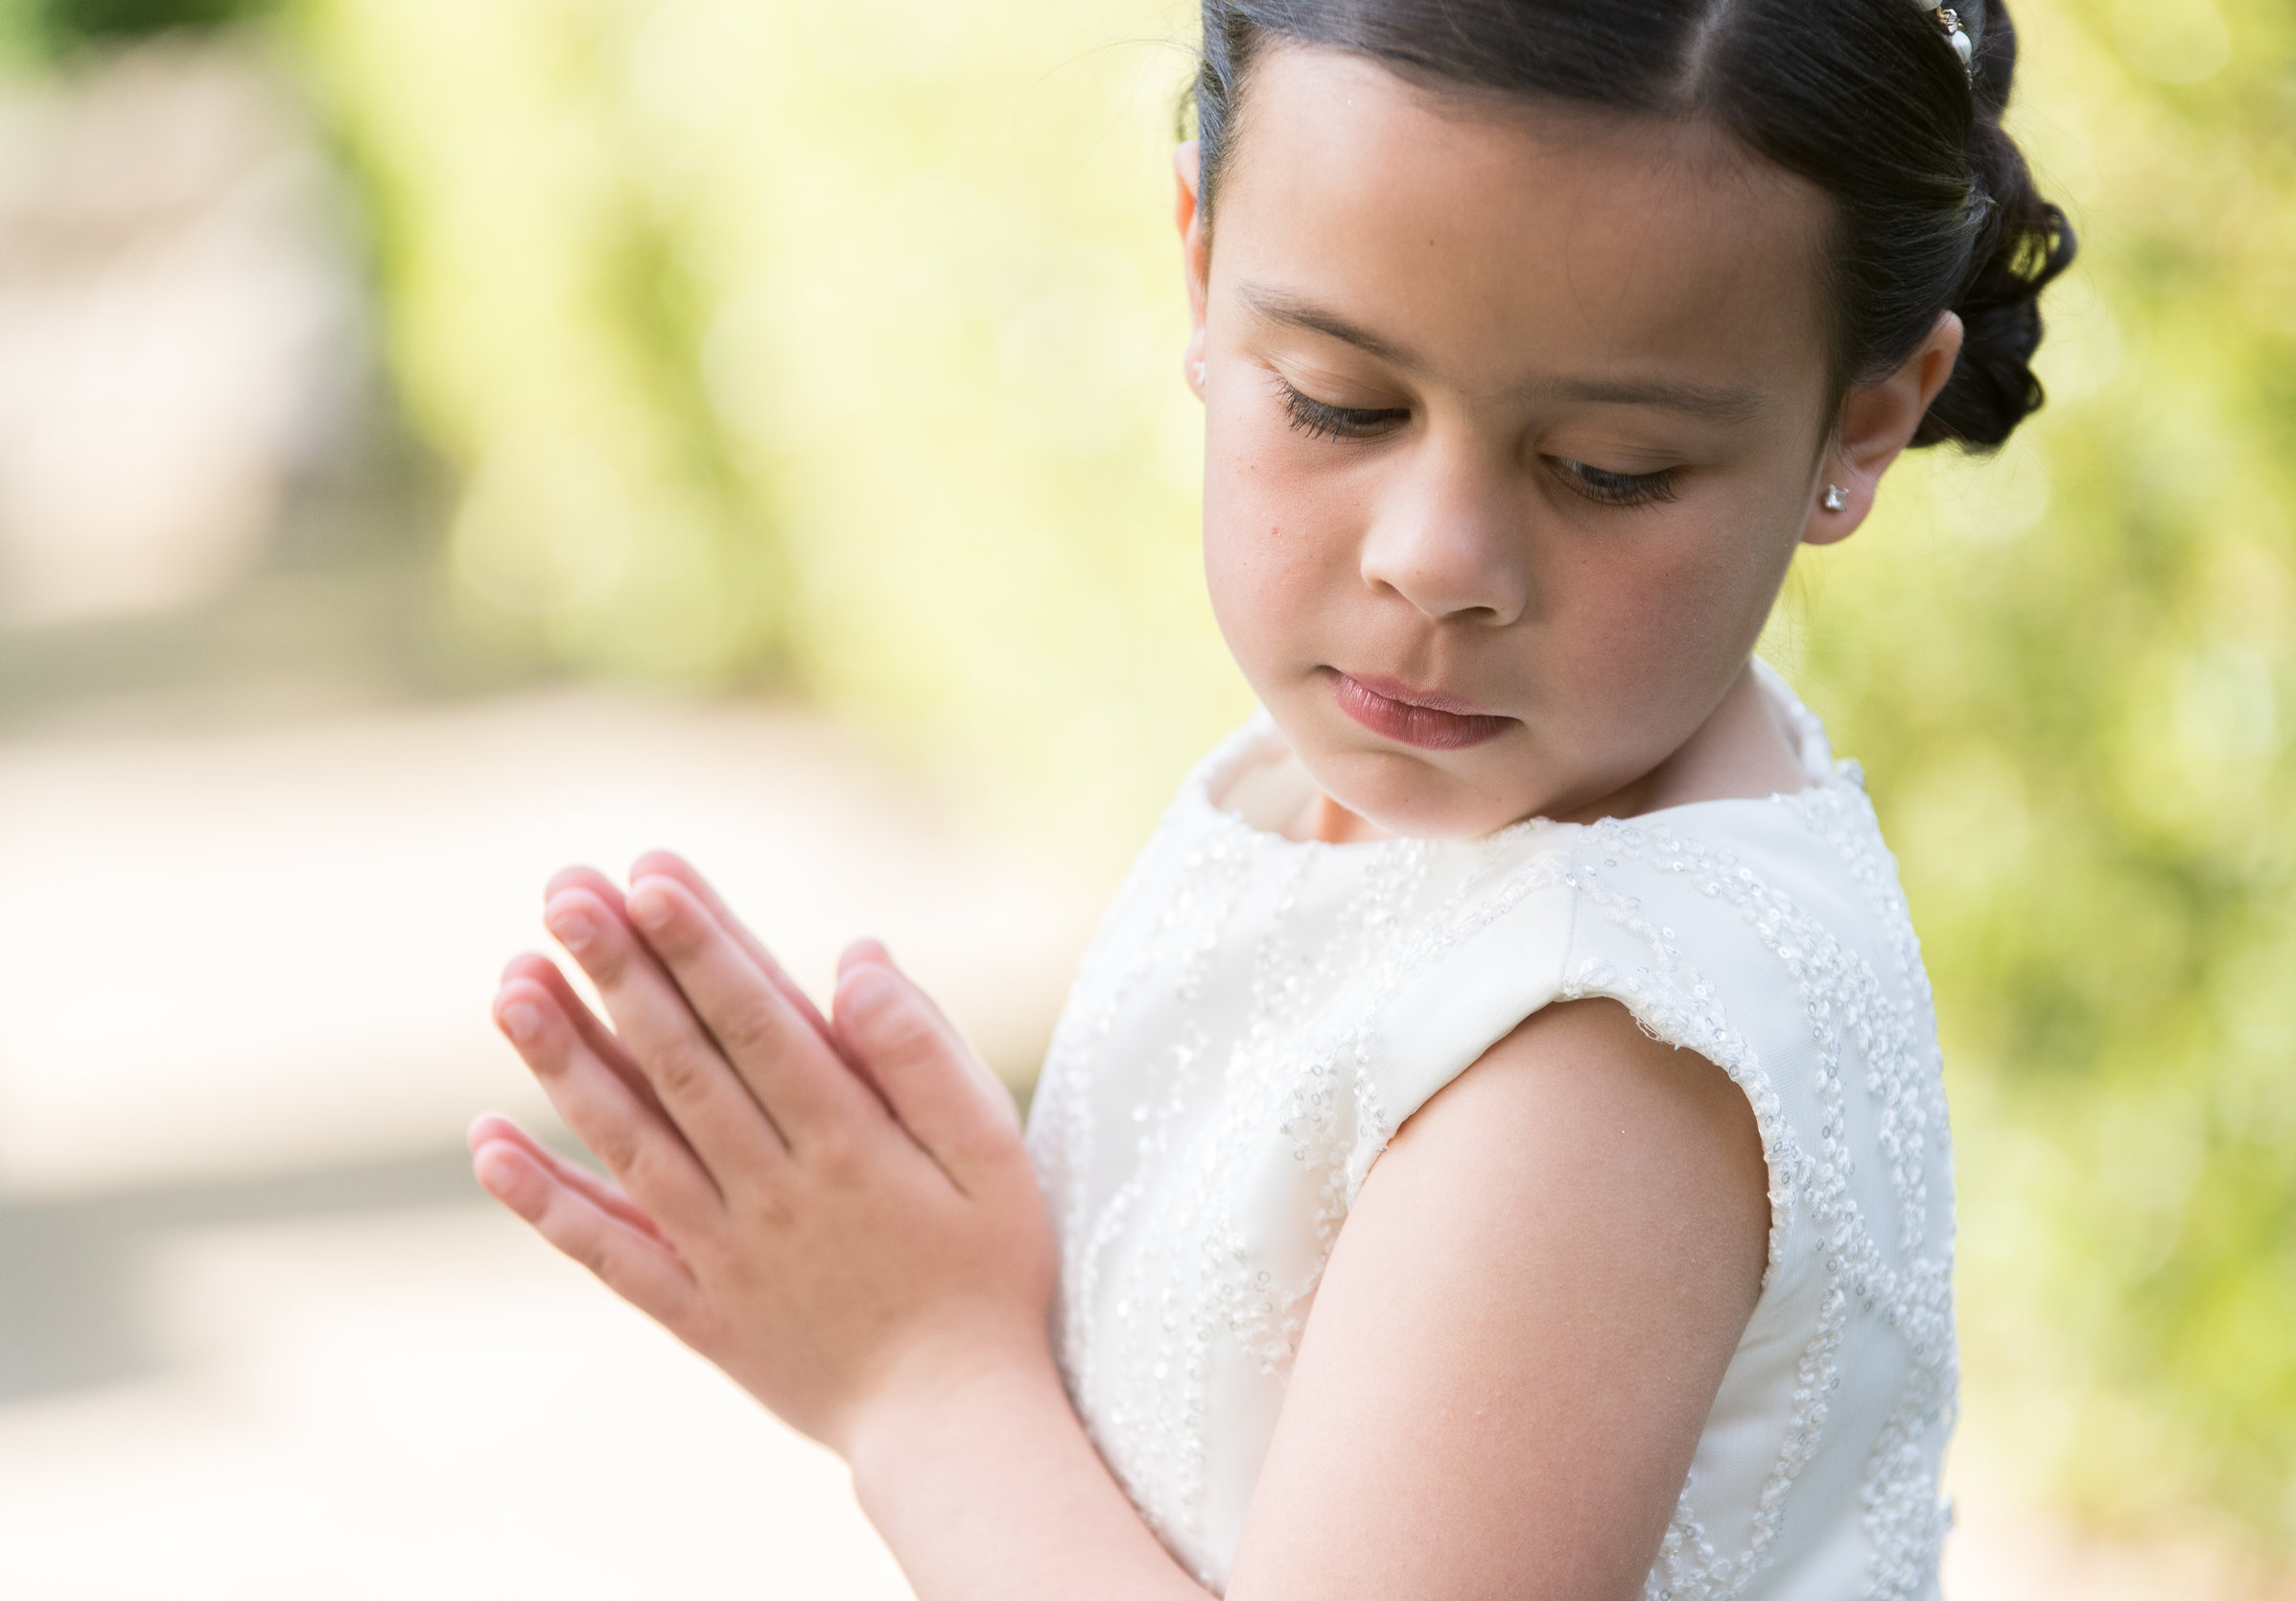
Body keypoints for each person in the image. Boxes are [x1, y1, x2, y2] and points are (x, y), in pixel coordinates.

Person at [465, 1, 2074, 1595]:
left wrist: (930, 1383)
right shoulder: (1432, 808)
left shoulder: (1601, 1056)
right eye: (1337, 400)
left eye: (1608, 467)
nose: (1436, 558)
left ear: (1864, 417)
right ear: (1196, 252)